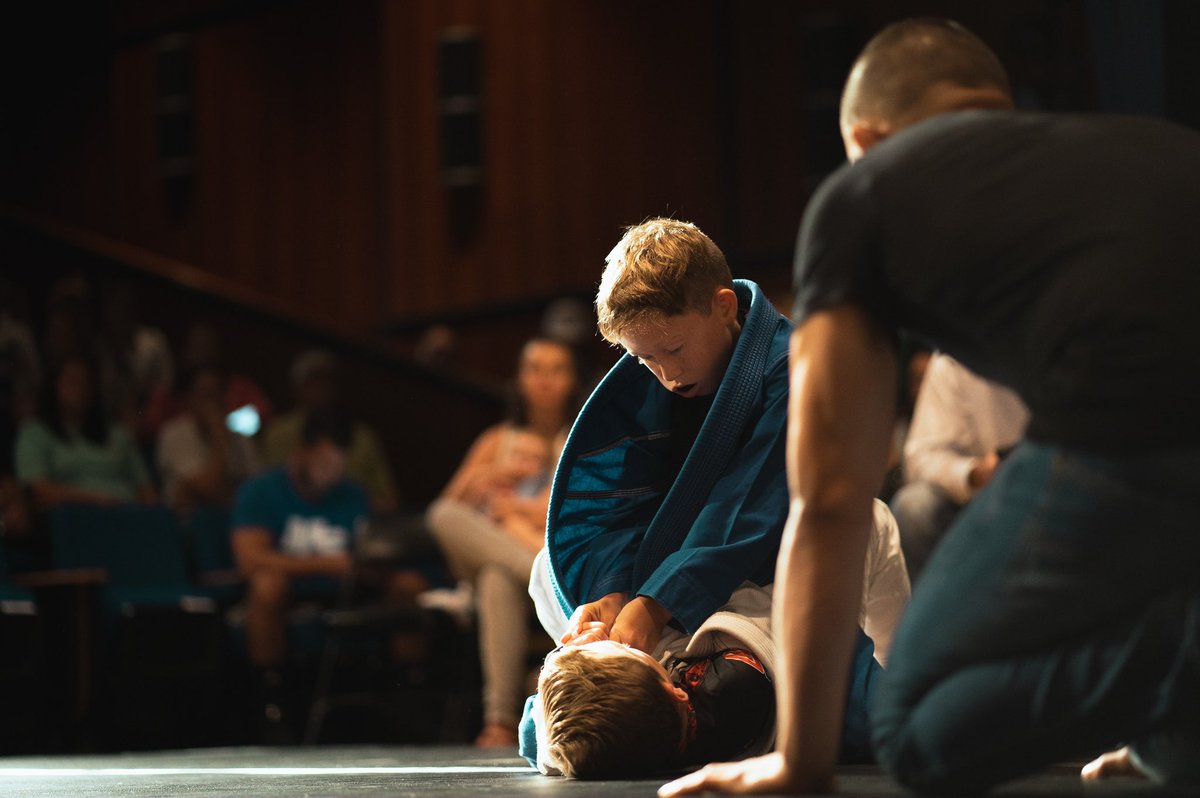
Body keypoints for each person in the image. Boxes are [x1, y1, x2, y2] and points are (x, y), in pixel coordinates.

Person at [660, 17, 1200, 797]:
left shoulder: (868, 191)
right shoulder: (1153, 144)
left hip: (1127, 426)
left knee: (915, 726)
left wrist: (799, 764)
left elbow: (832, 500)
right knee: (1184, 758)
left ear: (870, 139)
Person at [523, 499, 909, 779]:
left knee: (547, 570)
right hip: (826, 639)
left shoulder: (632, 744)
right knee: (870, 516)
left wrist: (573, 656)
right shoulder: (741, 673)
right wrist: (649, 606)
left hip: (796, 675)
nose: (595, 633)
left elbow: (534, 734)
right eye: (622, 647)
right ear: (675, 688)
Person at [425, 337, 581, 748]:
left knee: (499, 576)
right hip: (521, 556)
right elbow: (448, 512)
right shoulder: (497, 440)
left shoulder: (582, 436)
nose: (544, 380)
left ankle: (498, 722)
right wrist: (486, 479)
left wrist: (511, 511)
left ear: (572, 380)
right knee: (444, 516)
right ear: (519, 379)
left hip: (541, 551)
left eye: (556, 369)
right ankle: (553, 586)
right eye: (535, 369)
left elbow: (571, 515)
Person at [231, 407, 369, 728]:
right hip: (288, 594)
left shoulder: (352, 494)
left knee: (408, 585)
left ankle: (405, 693)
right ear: (301, 451)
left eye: (338, 466)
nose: (330, 475)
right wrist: (323, 564)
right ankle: (271, 701)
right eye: (323, 463)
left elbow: (365, 554)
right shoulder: (261, 491)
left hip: (343, 593)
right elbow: (249, 560)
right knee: (267, 584)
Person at [888, 352, 1027, 581]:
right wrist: (974, 473)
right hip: (977, 502)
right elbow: (921, 458)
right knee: (914, 507)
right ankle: (928, 615)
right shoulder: (950, 361)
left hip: (1054, 486)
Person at [15, 355, 157, 512]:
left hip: (128, 514)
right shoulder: (35, 433)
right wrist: (96, 500)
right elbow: (38, 490)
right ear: (54, 386)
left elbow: (146, 489)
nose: (79, 389)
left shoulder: (117, 434)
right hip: (75, 517)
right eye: (71, 381)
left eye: (86, 382)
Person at [263, 348, 399, 513]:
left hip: (349, 522)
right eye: (313, 381)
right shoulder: (279, 432)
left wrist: (351, 502)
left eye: (327, 381)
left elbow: (388, 500)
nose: (321, 388)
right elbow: (265, 490)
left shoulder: (362, 436)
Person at [156, 363, 261, 514]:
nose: (214, 403)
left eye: (218, 394)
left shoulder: (239, 436)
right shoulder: (173, 435)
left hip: (233, 522)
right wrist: (218, 437)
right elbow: (209, 488)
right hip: (187, 526)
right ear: (190, 399)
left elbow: (256, 491)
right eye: (206, 395)